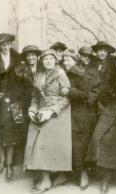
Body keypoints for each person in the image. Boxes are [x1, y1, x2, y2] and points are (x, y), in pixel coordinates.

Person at [23, 49, 72, 194]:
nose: (48, 61)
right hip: (40, 110)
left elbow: (67, 98)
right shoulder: (39, 75)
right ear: (42, 62)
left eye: (51, 59)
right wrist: (32, 110)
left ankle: (46, 180)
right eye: (45, 59)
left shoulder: (61, 74)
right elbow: (35, 97)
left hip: (57, 113)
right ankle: (53, 176)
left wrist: (51, 111)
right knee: (33, 140)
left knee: (44, 143)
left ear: (55, 60)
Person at [87, 50, 116, 194]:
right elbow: (103, 95)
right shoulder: (112, 76)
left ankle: (106, 179)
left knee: (112, 141)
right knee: (97, 136)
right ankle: (101, 174)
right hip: (110, 110)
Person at [62, 49, 101, 190]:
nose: (66, 62)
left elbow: (86, 95)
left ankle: (84, 173)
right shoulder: (63, 73)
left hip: (81, 114)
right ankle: (64, 173)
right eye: (64, 59)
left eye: (69, 60)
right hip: (67, 112)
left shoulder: (80, 74)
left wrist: (69, 92)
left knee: (80, 144)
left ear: (75, 60)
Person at [0, 33, 24, 181]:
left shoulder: (17, 58)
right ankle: (1, 161)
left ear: (11, 44)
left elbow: (21, 79)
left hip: (15, 99)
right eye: (2, 45)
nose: (5, 47)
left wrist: (16, 96)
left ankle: (10, 164)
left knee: (13, 130)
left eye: (7, 44)